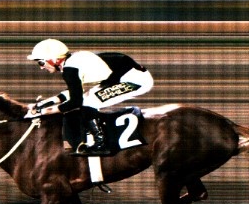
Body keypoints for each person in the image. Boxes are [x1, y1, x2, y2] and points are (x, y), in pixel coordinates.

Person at [24, 39, 155, 156]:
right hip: (120, 76)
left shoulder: (70, 69)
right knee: (87, 98)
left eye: (41, 62)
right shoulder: (71, 63)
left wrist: (44, 111)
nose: (41, 67)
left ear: (55, 59)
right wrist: (46, 103)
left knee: (89, 102)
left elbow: (75, 102)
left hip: (136, 80)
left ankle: (101, 144)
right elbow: (73, 92)